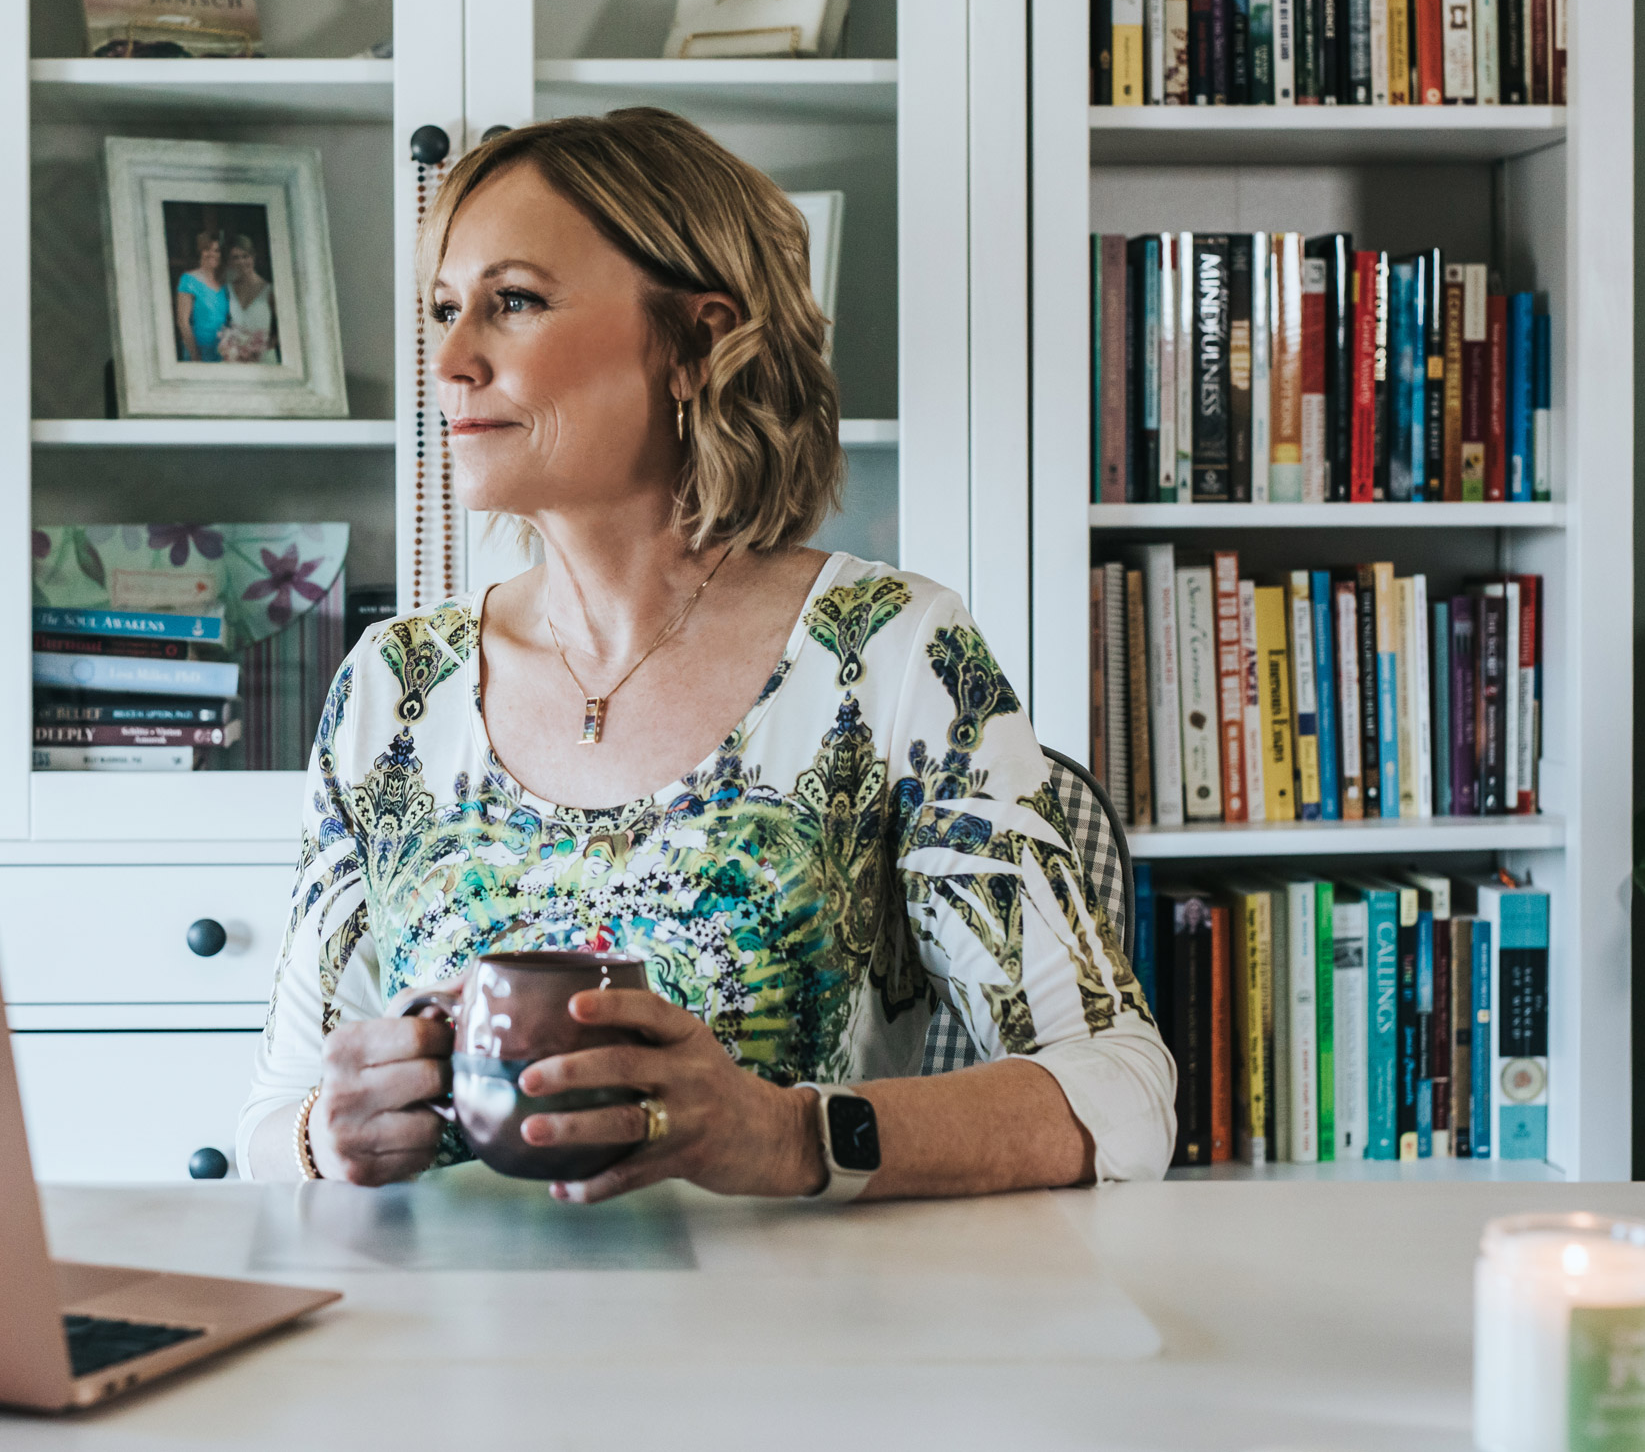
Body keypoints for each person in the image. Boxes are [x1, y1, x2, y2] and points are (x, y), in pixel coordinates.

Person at [239, 108, 1173, 1201]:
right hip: (437, 1308)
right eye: (445, 310)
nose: (448, 361)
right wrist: (323, 1135)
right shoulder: (391, 688)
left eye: (514, 301)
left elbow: (1118, 1094)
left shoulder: (891, 655)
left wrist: (788, 1133)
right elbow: (268, 1120)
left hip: (777, 1307)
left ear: (692, 343)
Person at [219, 232, 277, 364]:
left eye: (245, 256)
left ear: (253, 257)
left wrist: (265, 347)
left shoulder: (269, 290)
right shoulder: (228, 289)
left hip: (263, 358)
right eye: (235, 258)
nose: (241, 262)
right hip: (237, 358)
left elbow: (285, 325)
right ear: (230, 262)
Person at [174, 230, 228, 362]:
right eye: (207, 250)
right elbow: (183, 321)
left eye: (217, 251)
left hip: (223, 352)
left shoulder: (224, 283)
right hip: (199, 351)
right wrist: (195, 356)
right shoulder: (189, 280)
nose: (212, 254)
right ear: (200, 252)